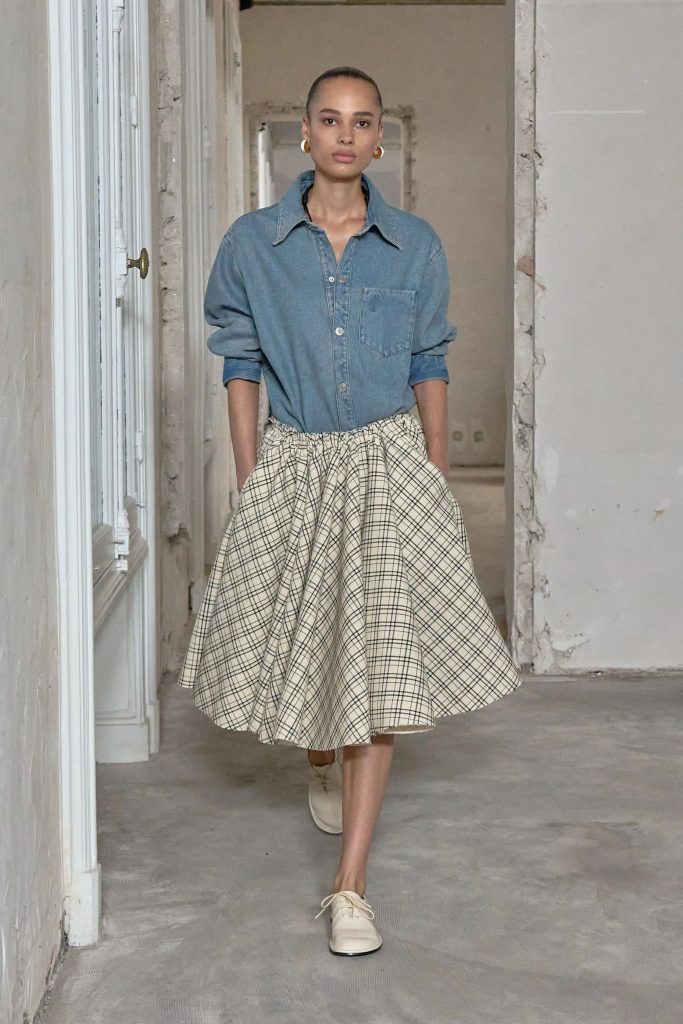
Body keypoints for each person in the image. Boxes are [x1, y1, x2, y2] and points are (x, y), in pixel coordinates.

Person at [177, 66, 523, 957]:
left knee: (376, 666)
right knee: (308, 635)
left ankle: (350, 888)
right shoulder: (253, 243)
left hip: (386, 459)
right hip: (294, 458)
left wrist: (434, 471)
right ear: (304, 133)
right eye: (329, 120)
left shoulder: (414, 245)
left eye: (362, 122)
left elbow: (428, 360)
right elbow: (240, 361)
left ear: (378, 139)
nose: (344, 135)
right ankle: (319, 755)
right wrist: (251, 474)